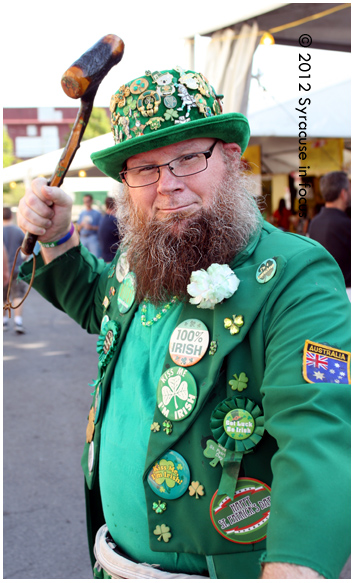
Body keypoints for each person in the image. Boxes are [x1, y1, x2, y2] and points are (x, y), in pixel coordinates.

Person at [17, 67, 350, 580]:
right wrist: (60, 237)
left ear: (232, 159)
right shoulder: (141, 260)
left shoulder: (298, 276)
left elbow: (321, 431)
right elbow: (97, 303)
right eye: (143, 169)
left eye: (188, 158)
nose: (167, 185)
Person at [308, 171, 351, 299]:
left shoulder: (314, 223)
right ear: (343, 194)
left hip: (322, 292)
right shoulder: (346, 224)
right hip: (346, 293)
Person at [3, 207, 27, 333]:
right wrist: (24, 260)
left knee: (3, 297)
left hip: (3, 270)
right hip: (17, 267)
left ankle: (4, 321)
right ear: (11, 216)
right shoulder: (18, 231)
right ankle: (18, 322)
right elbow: (26, 250)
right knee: (18, 295)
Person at [98, 196, 121, 262]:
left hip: (105, 255)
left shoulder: (104, 218)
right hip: (112, 258)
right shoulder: (113, 220)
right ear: (115, 205)